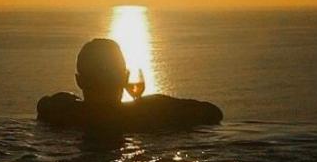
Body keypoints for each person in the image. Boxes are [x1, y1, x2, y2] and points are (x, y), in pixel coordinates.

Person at [37, 38, 223, 131]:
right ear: (125, 78)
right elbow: (213, 113)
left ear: (79, 80)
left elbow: (44, 104)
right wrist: (149, 105)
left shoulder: (63, 113)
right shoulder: (149, 114)